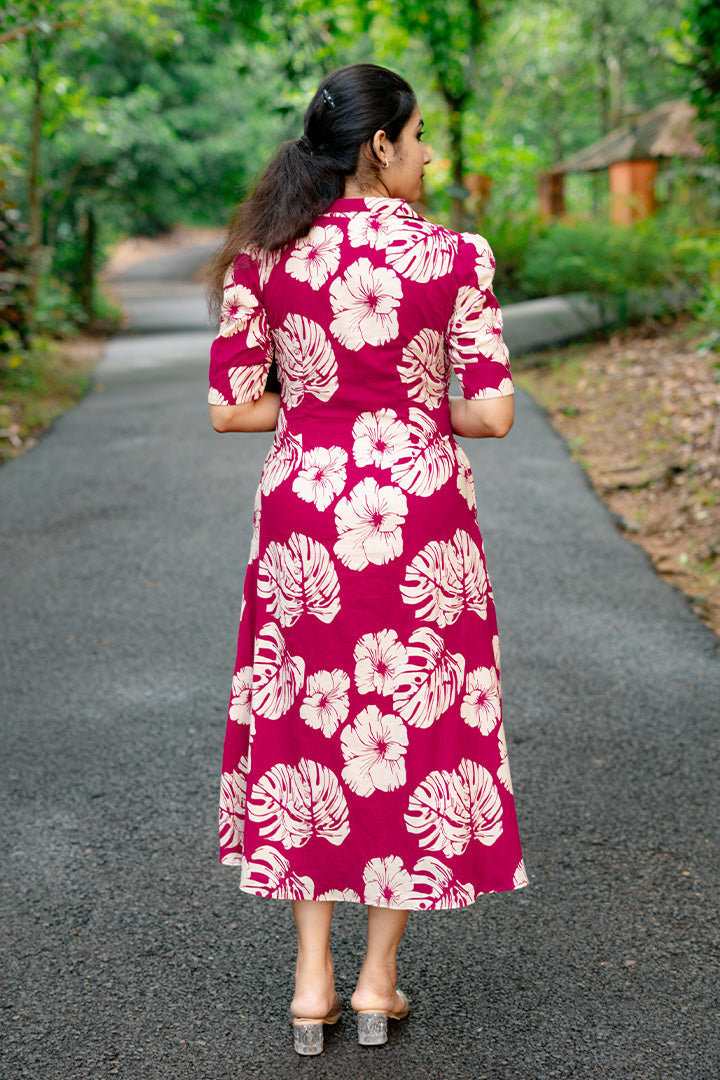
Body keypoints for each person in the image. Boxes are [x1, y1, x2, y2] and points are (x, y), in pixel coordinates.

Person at [205, 63, 527, 1056]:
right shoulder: (455, 257)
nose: (431, 153)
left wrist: (322, 407)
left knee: (310, 732)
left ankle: (312, 985)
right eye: (421, 135)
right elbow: (494, 414)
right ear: (381, 145)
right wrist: (409, 409)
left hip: (307, 523)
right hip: (420, 522)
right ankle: (380, 981)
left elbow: (231, 407)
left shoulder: (267, 256)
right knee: (411, 731)